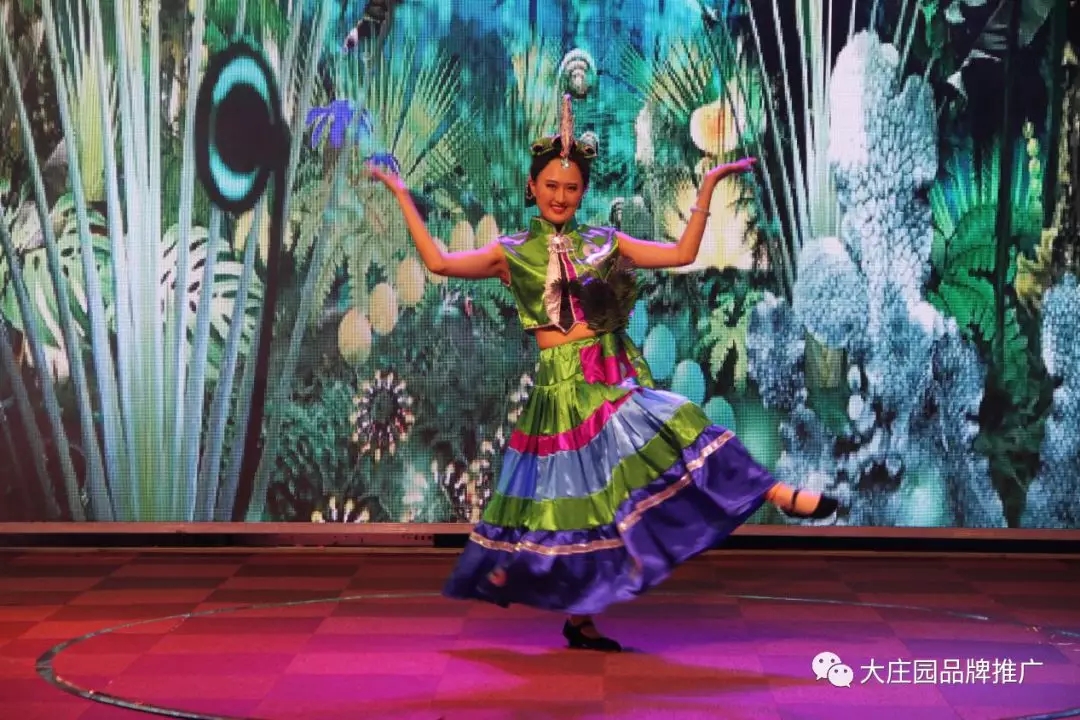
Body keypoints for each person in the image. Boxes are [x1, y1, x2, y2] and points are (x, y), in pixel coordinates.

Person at [366, 95, 838, 653]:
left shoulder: (605, 243)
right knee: (577, 506)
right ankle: (581, 619)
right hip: (558, 393)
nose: (561, 196)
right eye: (551, 185)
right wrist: (402, 195)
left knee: (683, 421)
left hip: (604, 379)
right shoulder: (511, 252)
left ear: (582, 192)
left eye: (571, 188)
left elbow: (682, 254)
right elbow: (440, 263)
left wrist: (708, 186)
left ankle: (775, 491)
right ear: (533, 187)